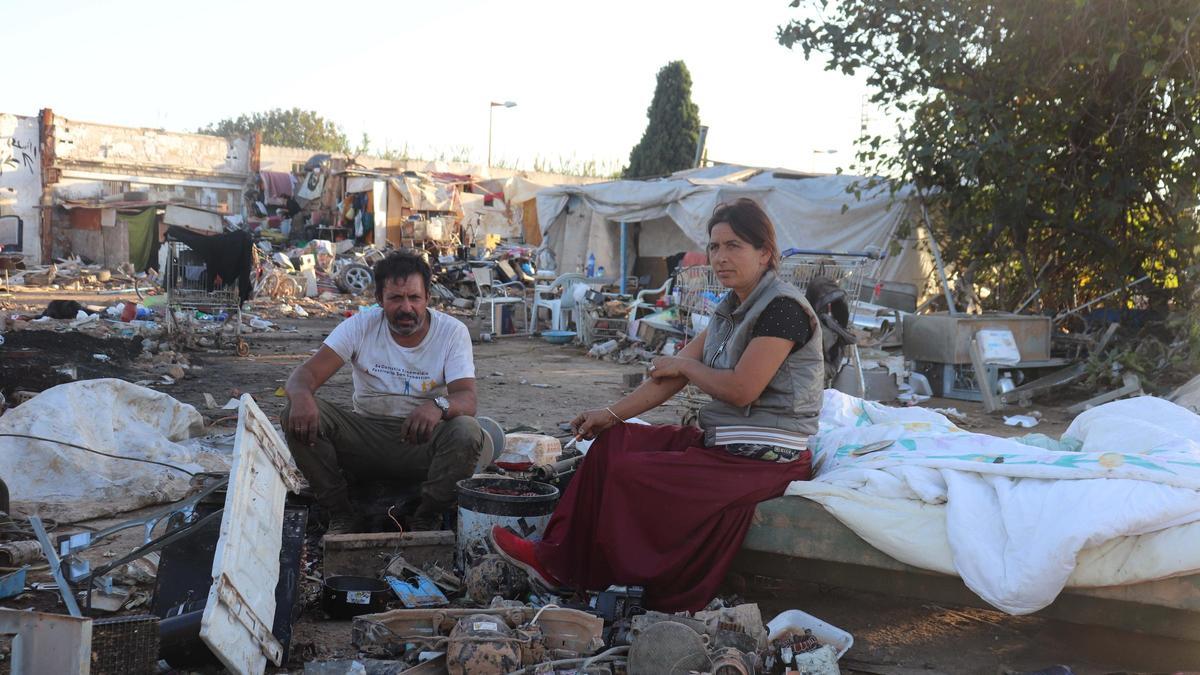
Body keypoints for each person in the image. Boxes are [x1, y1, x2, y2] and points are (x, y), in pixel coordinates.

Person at [490, 198, 824, 611]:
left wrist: (684, 363)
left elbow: (742, 390)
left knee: (632, 475)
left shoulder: (783, 309)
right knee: (612, 445)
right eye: (715, 246)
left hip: (764, 458)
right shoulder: (729, 309)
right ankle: (556, 560)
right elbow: (672, 377)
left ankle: (609, 580)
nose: (720, 257)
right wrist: (608, 415)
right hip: (723, 444)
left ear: (765, 252)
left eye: (733, 246)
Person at [282, 250, 485, 533]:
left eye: (414, 298)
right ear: (379, 299)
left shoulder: (452, 332)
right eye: (395, 298)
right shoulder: (360, 326)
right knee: (294, 410)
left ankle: (426, 515)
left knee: (467, 430)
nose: (406, 308)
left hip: (421, 441)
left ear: (427, 297)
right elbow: (303, 376)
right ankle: (341, 512)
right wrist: (302, 397)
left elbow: (467, 398)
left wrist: (437, 406)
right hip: (365, 438)